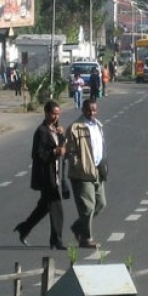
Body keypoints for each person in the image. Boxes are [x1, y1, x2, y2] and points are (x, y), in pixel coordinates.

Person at [14, 100, 69, 250]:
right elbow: (37, 155)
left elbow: (61, 145)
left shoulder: (54, 129)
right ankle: (56, 240)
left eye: (58, 114)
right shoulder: (41, 131)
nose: (56, 117)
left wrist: (62, 137)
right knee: (57, 209)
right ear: (46, 113)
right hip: (46, 176)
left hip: (55, 174)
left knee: (44, 207)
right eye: (53, 113)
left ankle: (24, 228)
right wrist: (54, 152)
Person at [66, 97, 107, 249]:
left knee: (101, 203)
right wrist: (80, 166)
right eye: (89, 110)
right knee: (88, 207)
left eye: (94, 110)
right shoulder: (75, 127)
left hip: (97, 170)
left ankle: (79, 227)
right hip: (82, 173)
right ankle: (86, 239)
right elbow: (70, 152)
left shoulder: (98, 126)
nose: (92, 113)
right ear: (83, 110)